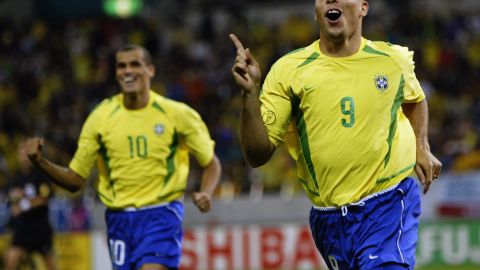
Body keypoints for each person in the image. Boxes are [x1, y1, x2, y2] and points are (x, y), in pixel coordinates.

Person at [230, 0, 442, 269]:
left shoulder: (392, 60)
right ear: (316, 10)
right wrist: (249, 95)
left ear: (363, 7)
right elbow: (257, 155)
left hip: (388, 202)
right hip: (329, 219)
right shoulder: (289, 70)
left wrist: (421, 146)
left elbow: (415, 99)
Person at [24, 44, 222, 270]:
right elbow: (74, 180)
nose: (127, 71)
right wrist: (40, 161)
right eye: (121, 66)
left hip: (161, 215)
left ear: (150, 70)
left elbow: (211, 163)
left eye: (135, 64)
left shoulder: (178, 115)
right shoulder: (100, 117)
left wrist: (206, 192)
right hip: (118, 221)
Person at [4, 141, 56, 270]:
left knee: (50, 264)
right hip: (22, 229)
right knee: (11, 259)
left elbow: (44, 198)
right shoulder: (15, 176)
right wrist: (13, 199)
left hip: (40, 229)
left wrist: (24, 204)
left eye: (25, 154)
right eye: (20, 154)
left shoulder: (40, 174)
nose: (23, 158)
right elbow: (9, 196)